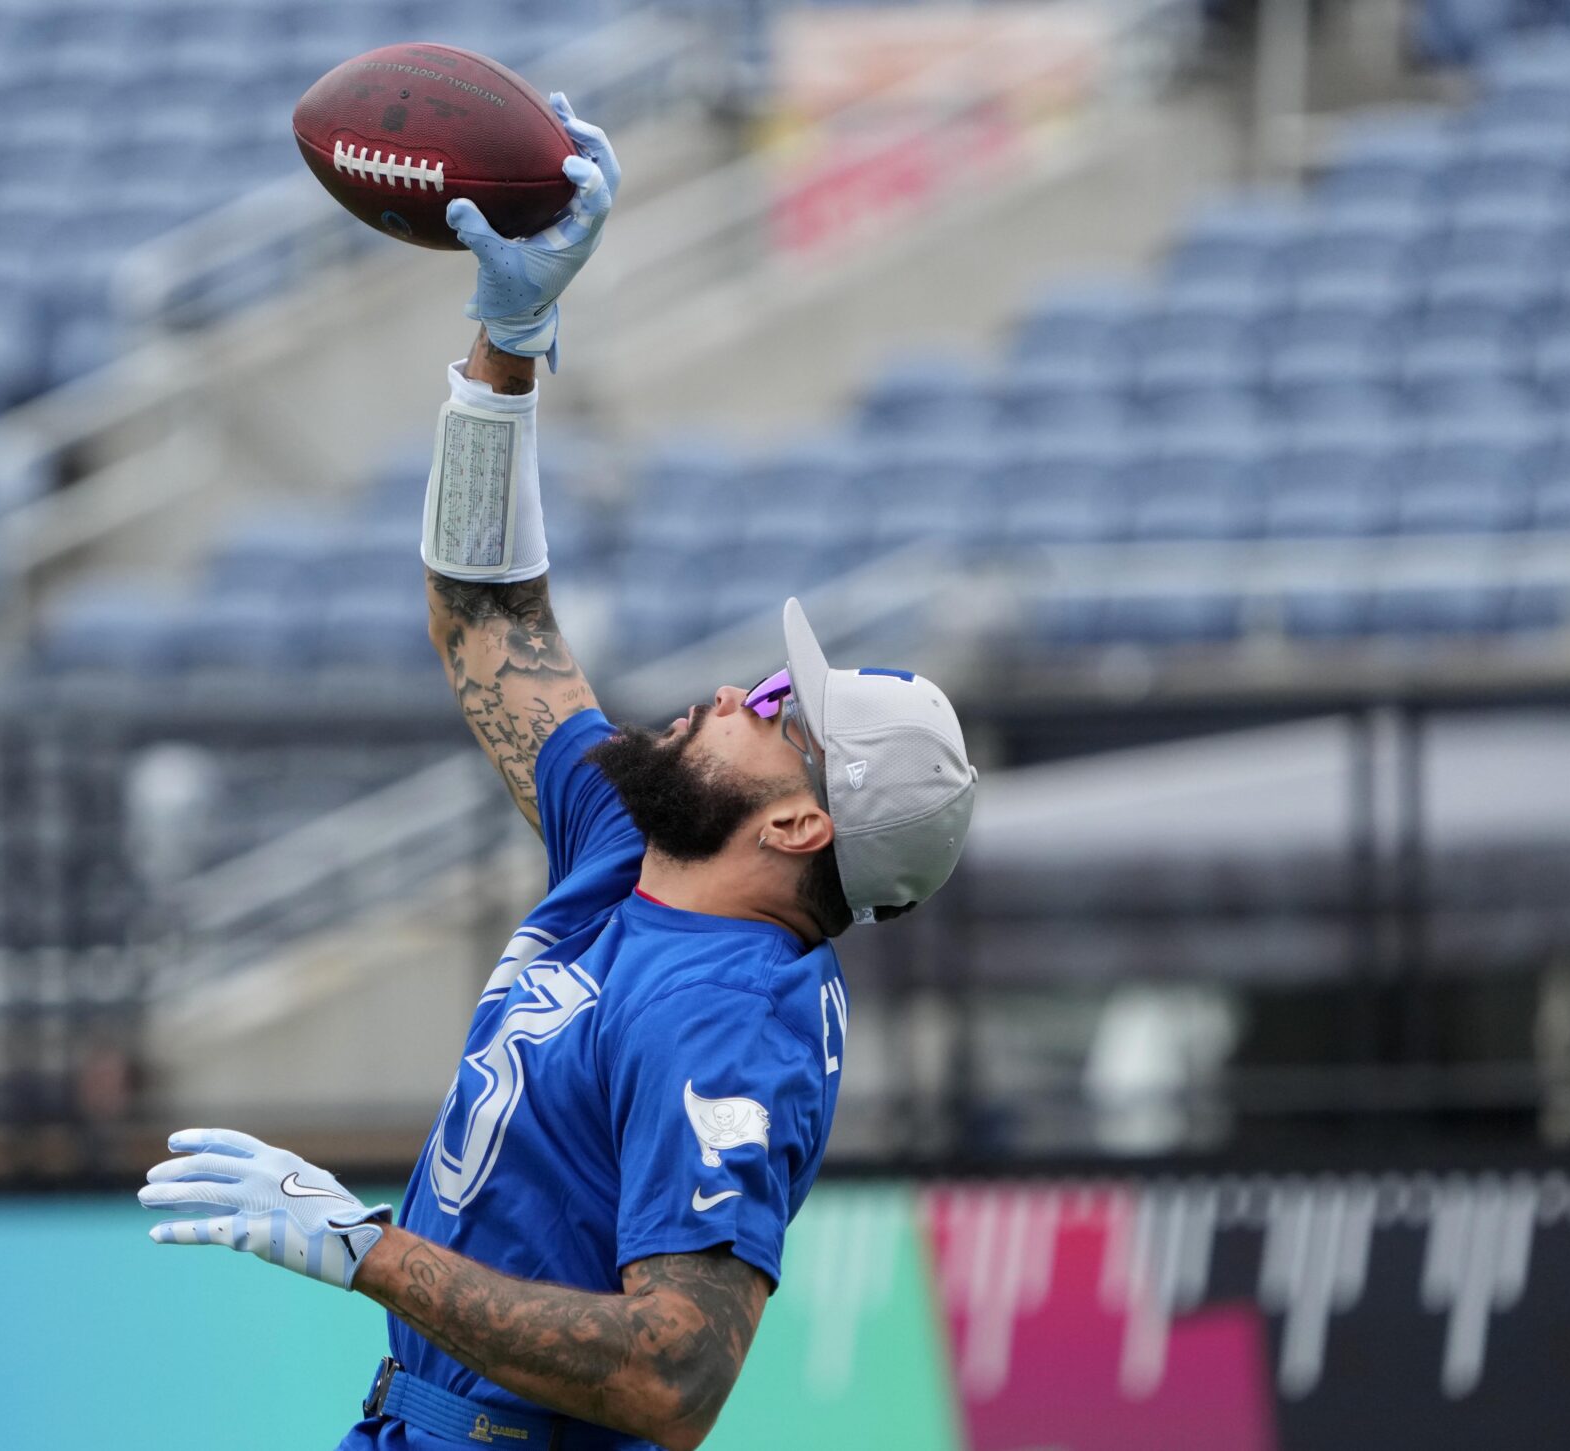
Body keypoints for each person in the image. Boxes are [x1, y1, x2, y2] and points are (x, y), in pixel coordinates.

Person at [137, 95, 976, 1451]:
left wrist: (369, 1252)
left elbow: (674, 1378)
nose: (729, 691)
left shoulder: (735, 1015)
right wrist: (509, 340)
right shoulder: (626, 848)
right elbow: (488, 614)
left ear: (804, 816)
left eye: (774, 705)